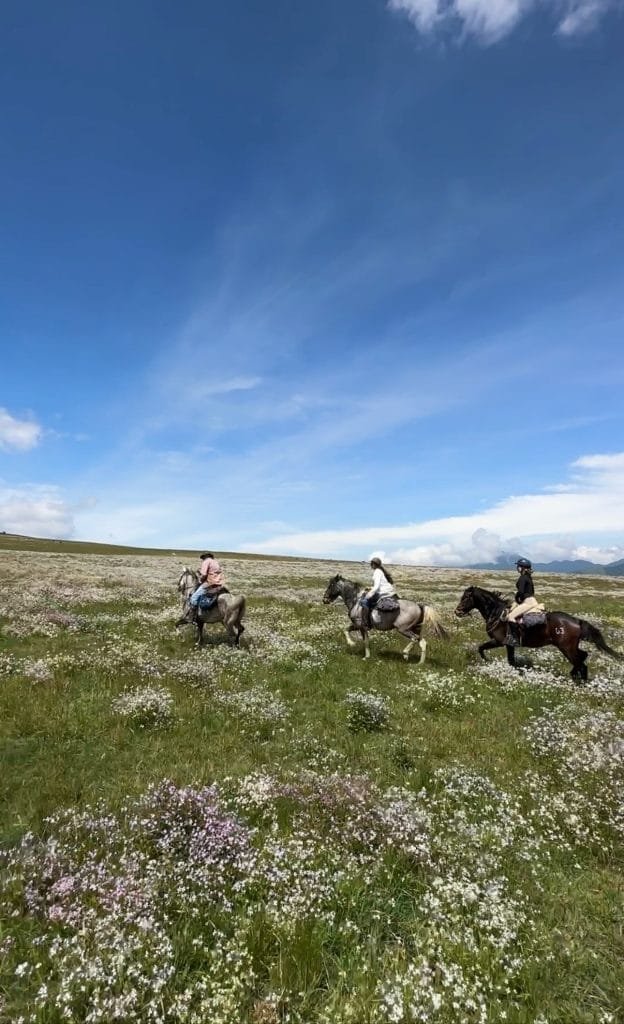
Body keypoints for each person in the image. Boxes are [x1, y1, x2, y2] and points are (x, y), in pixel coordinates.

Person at [503, 557, 543, 646]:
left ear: (522, 567)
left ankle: (515, 639)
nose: (517, 567)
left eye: (518, 566)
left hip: (528, 602)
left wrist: (517, 597)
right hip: (531, 600)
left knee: (510, 617)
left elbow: (521, 592)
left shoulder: (522, 577)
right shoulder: (528, 577)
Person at [359, 557, 398, 630]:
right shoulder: (380, 571)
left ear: (374, 564)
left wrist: (368, 595)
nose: (370, 565)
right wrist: (370, 588)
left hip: (384, 593)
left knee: (364, 602)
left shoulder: (377, 572)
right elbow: (378, 585)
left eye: (371, 563)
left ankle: (366, 624)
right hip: (387, 591)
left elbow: (376, 587)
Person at [187, 552, 226, 622]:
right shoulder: (215, 562)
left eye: (202, 558)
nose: (202, 560)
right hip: (219, 583)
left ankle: (193, 617)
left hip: (210, 583)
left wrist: (200, 580)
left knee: (193, 598)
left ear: (204, 557)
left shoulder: (206, 562)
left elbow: (204, 574)